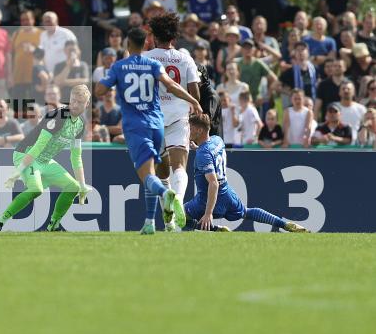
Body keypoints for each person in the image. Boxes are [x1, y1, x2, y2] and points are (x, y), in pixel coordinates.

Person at [95, 27, 203, 234]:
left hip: (137, 126)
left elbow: (100, 90)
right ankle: (150, 222)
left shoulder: (120, 66)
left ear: (127, 44)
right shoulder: (153, 64)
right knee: (156, 172)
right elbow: (171, 85)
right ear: (145, 43)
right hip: (157, 125)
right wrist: (192, 101)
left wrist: (110, 80)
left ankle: (166, 195)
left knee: (148, 176)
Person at [0, 85, 92, 233]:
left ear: (87, 104)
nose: (75, 105)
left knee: (73, 187)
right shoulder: (58, 116)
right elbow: (38, 146)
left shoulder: (81, 124)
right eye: (73, 101)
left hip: (45, 160)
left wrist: (82, 185)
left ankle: (54, 225)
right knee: (36, 189)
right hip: (26, 154)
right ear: (69, 100)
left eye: (80, 102)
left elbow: (76, 156)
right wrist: (19, 170)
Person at [183, 113, 308, 232]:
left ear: (199, 130)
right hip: (227, 194)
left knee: (178, 215)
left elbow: (213, 183)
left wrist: (208, 213)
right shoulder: (218, 140)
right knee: (247, 212)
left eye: (191, 128)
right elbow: (209, 153)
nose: (188, 131)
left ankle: (216, 229)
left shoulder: (203, 154)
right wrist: (198, 147)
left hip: (206, 200)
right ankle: (284, 224)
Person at [143, 14, 201, 220]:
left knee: (161, 173)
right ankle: (178, 200)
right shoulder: (185, 58)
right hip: (178, 118)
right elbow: (196, 92)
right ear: (173, 37)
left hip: (154, 119)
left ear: (154, 36)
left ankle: (169, 215)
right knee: (179, 167)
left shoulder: (146, 58)